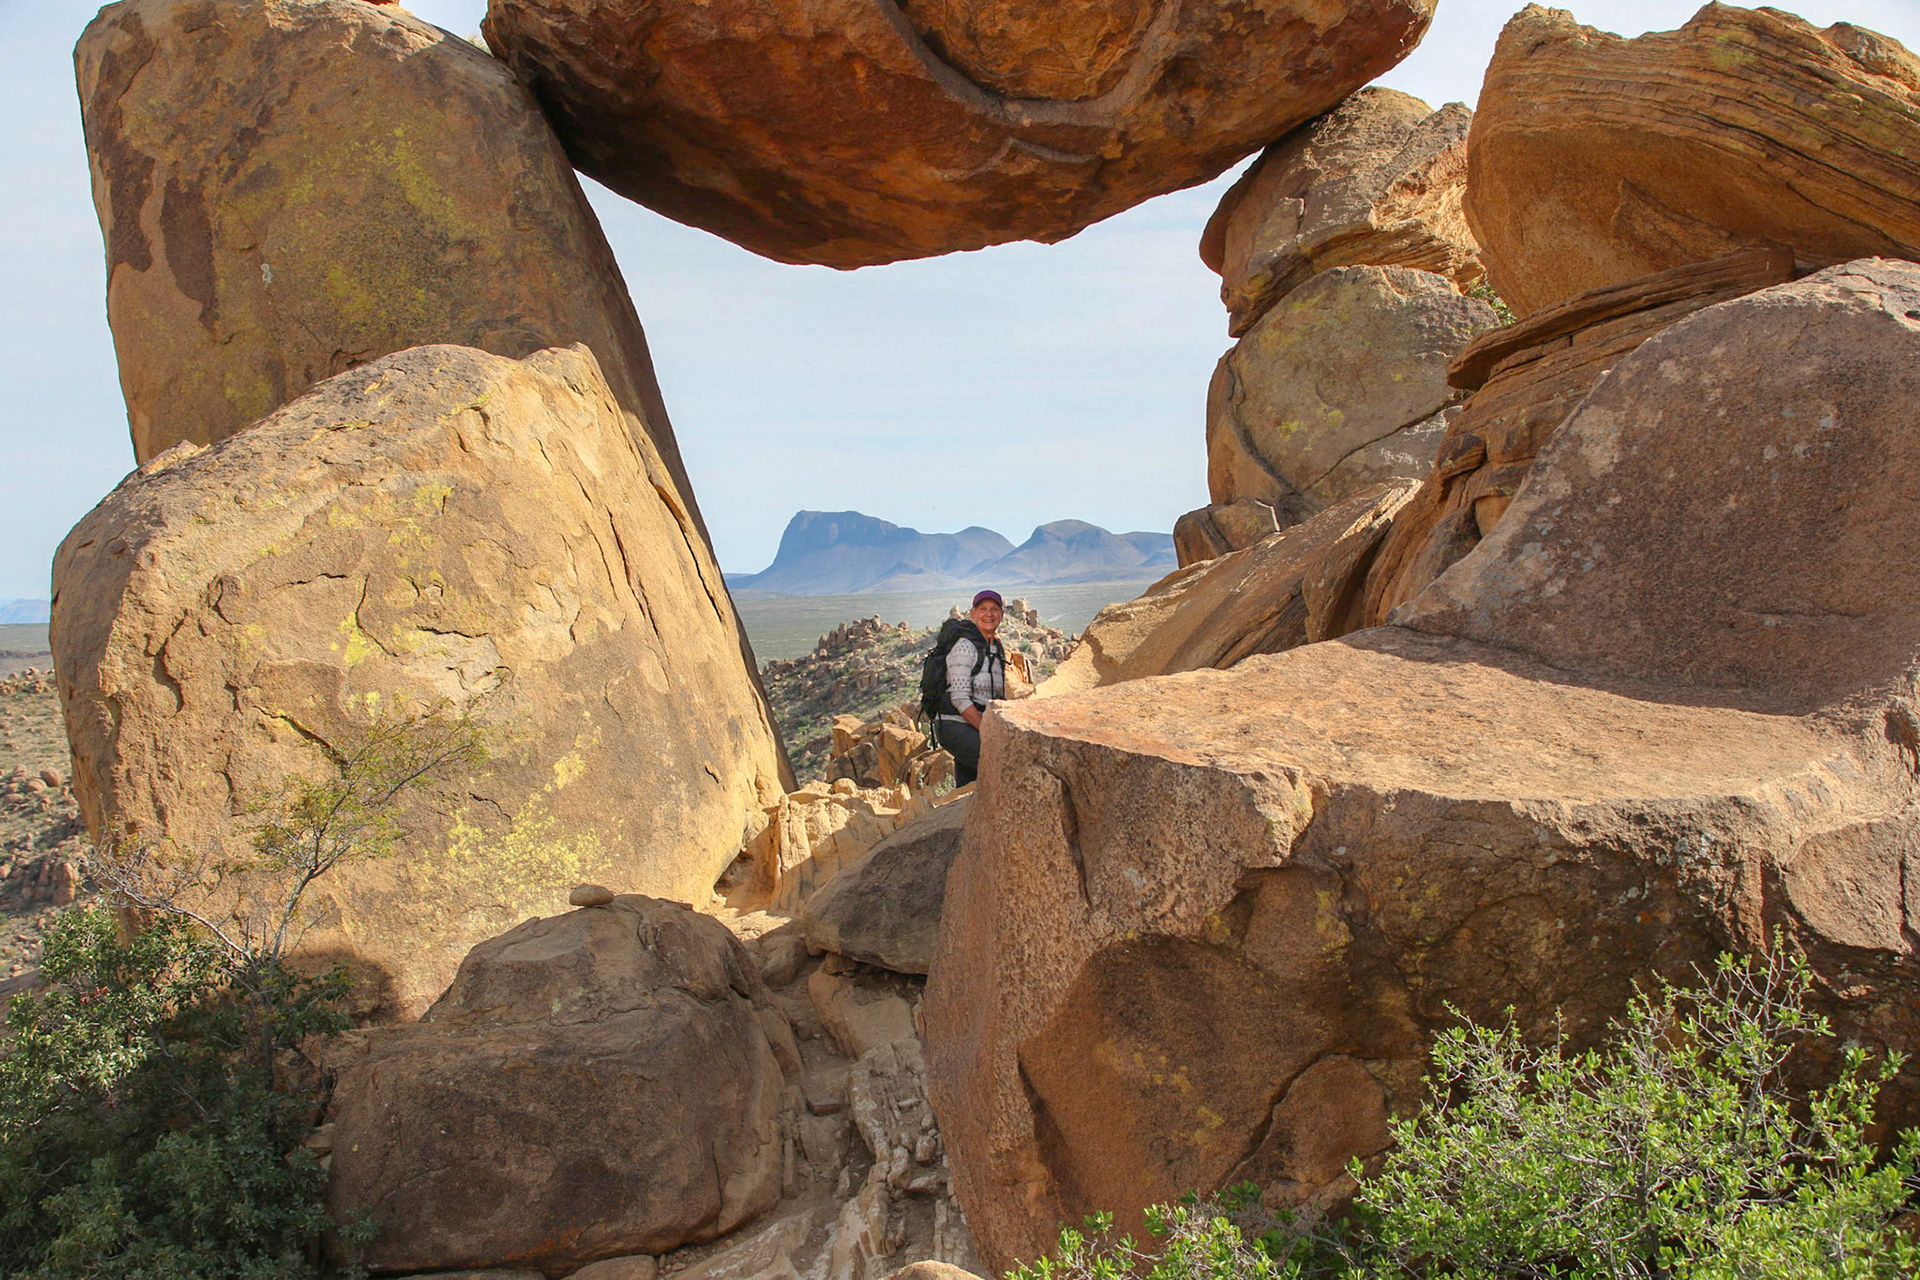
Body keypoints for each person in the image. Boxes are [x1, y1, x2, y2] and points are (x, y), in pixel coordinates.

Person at [934, 589, 1007, 787]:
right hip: (955, 724)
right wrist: (988, 729)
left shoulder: (995, 648)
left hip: (975, 725)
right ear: (973, 614)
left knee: (970, 787)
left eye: (994, 609)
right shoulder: (964, 646)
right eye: (982, 609)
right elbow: (959, 698)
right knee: (1002, 762)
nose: (989, 614)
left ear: (1002, 614)